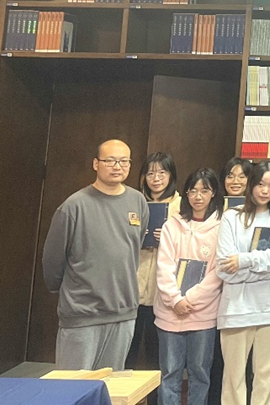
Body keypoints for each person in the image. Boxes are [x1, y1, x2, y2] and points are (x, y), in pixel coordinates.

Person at [42, 139, 149, 370]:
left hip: (123, 313)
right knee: (72, 386)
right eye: (110, 160)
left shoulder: (138, 201)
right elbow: (52, 261)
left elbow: (133, 247)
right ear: (95, 164)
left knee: (110, 386)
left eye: (124, 161)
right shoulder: (74, 206)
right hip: (83, 314)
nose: (117, 166)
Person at [216, 160, 270, 405]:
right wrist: (266, 272)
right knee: (233, 378)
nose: (265, 191)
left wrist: (243, 260)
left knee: (265, 377)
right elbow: (224, 269)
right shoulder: (232, 217)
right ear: (251, 184)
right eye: (260, 184)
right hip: (236, 309)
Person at [154, 169, 225, 405]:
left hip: (202, 314)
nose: (198, 196)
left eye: (204, 190)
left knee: (200, 374)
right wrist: (175, 300)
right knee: (170, 374)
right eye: (193, 191)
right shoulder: (171, 225)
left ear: (213, 193)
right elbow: (163, 267)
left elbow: (217, 273)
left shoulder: (222, 228)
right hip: (169, 312)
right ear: (186, 193)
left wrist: (190, 299)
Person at [128, 152, 182, 397]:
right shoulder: (133, 201)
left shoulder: (182, 206)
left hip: (164, 293)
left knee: (157, 356)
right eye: (150, 173)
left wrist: (169, 239)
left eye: (162, 172)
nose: (156, 178)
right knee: (127, 353)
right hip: (132, 289)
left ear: (171, 176)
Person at [212, 157, 252, 405]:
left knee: (244, 362)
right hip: (211, 291)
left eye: (241, 176)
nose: (235, 181)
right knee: (219, 360)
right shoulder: (213, 207)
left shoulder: (257, 211)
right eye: (230, 175)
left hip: (241, 295)